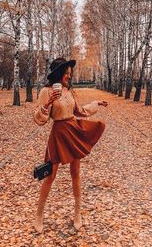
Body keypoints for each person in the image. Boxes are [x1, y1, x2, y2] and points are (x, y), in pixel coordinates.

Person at [33, 57, 108, 233]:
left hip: (73, 131)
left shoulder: (68, 91)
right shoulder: (46, 91)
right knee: (50, 175)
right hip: (58, 134)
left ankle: (77, 213)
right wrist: (49, 101)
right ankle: (39, 215)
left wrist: (96, 103)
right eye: (66, 74)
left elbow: (79, 111)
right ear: (58, 74)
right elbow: (39, 118)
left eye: (70, 74)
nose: (69, 76)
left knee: (75, 173)